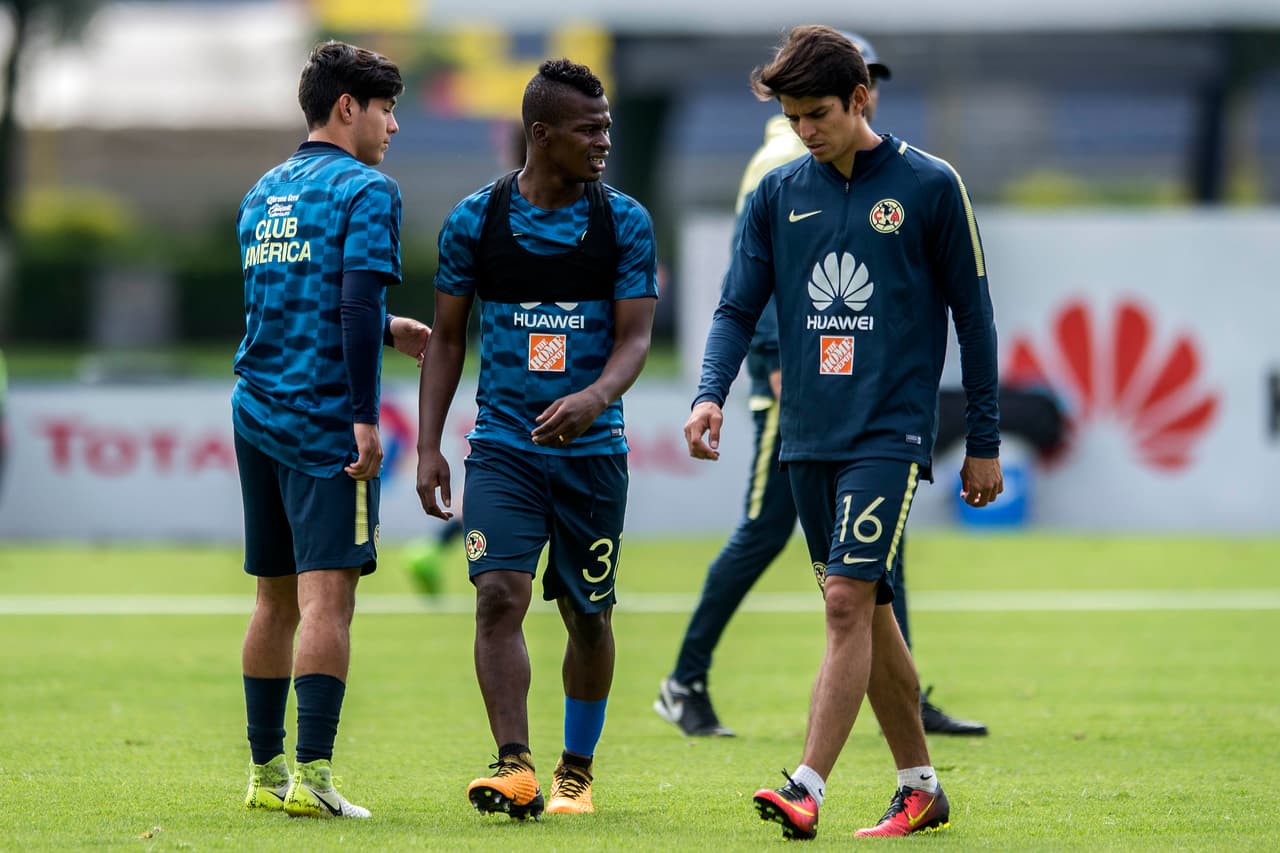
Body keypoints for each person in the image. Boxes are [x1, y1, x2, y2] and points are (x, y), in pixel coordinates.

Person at [684, 25, 1002, 838]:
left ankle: (807, 785)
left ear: (861, 98)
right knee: (871, 609)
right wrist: (711, 392)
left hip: (889, 434)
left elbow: (975, 317)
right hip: (804, 435)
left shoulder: (931, 185)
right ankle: (921, 786)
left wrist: (984, 439)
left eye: (817, 112)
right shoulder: (778, 192)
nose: (805, 130)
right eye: (793, 117)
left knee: (843, 602)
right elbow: (733, 308)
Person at [416, 58, 658, 820]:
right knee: (498, 596)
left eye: (609, 127)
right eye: (589, 130)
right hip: (504, 449)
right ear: (541, 133)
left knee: (588, 615)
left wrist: (592, 398)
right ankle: (514, 764)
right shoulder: (474, 220)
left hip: (592, 457)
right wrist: (429, 444)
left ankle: (575, 773)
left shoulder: (624, 221)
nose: (604, 141)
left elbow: (636, 339)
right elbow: (449, 341)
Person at [233, 40, 429, 820]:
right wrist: (363, 417)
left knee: (271, 601)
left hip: (255, 410)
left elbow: (295, 303)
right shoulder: (366, 190)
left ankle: (264, 772)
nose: (394, 127)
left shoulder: (264, 190)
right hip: (323, 423)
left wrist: (386, 327)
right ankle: (313, 777)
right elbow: (346, 305)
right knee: (327, 605)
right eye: (387, 110)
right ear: (348, 108)